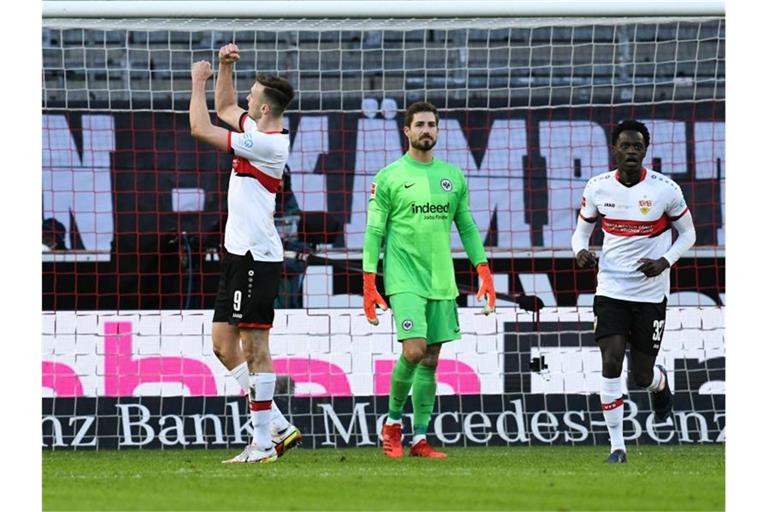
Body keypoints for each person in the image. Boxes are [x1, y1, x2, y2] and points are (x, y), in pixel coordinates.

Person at [363, 101, 497, 458]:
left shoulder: (452, 177)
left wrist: (482, 268)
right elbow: (375, 230)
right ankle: (392, 423)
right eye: (420, 124)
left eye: (432, 125)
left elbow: (466, 225)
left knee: (432, 359)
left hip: (442, 279)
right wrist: (369, 280)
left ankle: (420, 438)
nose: (426, 130)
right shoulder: (389, 177)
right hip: (403, 277)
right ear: (406, 131)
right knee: (414, 349)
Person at [189, 43, 300, 464]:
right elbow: (225, 105)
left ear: (266, 109)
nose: (246, 101)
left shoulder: (269, 145)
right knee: (222, 344)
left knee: (255, 349)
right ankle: (279, 424)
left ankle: (263, 445)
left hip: (258, 256)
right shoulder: (257, 131)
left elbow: (201, 126)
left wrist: (198, 80)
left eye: (253, 97)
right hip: (238, 254)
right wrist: (222, 67)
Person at [571, 119, 696, 464]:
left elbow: (688, 234)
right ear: (614, 149)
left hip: (650, 293)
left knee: (640, 375)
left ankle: (659, 383)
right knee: (610, 361)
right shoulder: (597, 187)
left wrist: (664, 261)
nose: (630, 151)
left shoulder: (664, 189)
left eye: (636, 146)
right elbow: (581, 233)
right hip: (610, 288)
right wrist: (579, 251)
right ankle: (617, 447)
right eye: (624, 146)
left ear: (645, 151)